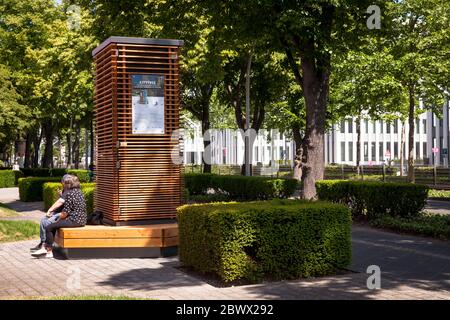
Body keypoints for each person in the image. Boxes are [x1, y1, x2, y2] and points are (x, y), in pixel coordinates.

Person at [31, 174, 87, 258]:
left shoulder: (70, 194)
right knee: (53, 226)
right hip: (82, 220)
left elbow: (65, 213)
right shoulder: (80, 192)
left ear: (69, 184)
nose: (64, 185)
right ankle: (46, 248)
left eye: (66, 183)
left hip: (74, 220)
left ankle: (48, 251)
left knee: (49, 227)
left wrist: (58, 220)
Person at [29, 176, 70, 252]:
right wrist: (60, 195)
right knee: (43, 220)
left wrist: (50, 210)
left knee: (47, 223)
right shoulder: (65, 190)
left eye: (63, 182)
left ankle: (46, 245)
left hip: (63, 214)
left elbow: (60, 203)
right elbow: (61, 202)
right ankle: (43, 242)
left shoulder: (69, 191)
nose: (62, 183)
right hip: (58, 212)